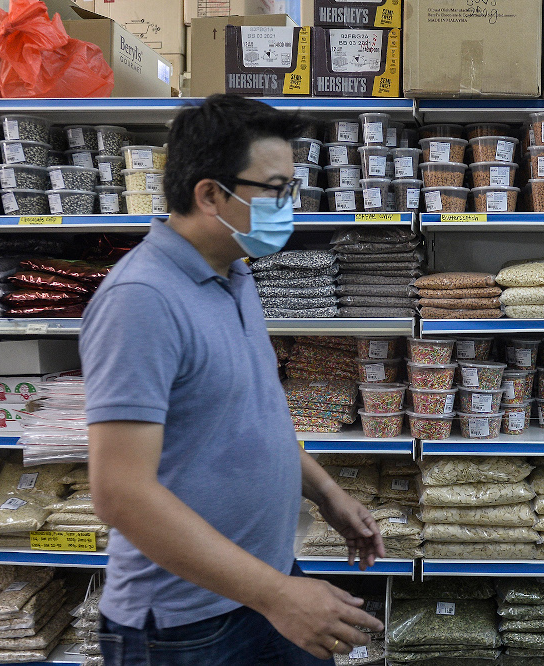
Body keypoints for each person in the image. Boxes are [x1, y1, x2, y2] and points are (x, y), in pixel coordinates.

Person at [80, 94, 385, 666]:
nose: (289, 205)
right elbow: (120, 494)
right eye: (275, 190)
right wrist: (277, 596)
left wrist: (327, 494)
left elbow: (251, 415)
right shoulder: (140, 300)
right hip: (187, 625)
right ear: (210, 194)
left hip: (261, 583)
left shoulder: (235, 273)